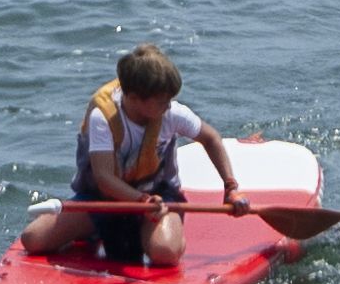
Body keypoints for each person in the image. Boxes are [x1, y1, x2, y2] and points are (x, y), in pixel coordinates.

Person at [22, 45, 214, 269]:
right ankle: (97, 230)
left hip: (158, 199)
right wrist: (141, 200)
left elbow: (211, 139)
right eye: (161, 101)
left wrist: (231, 186)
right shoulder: (102, 117)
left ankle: (161, 233)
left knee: (165, 253)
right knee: (32, 240)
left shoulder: (172, 113)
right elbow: (104, 178)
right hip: (105, 201)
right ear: (134, 98)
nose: (168, 105)